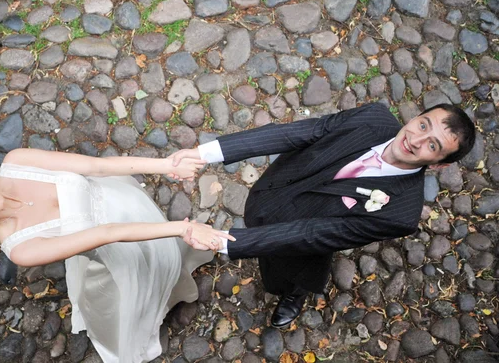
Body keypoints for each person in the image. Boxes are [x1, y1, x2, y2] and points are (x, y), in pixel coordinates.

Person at [172, 103, 475, 328]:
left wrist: (224, 241)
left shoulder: (399, 213)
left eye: (432, 145)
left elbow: (312, 234)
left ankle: (295, 294)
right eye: (423, 125)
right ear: (417, 117)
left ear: (438, 164)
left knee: (292, 272)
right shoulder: (373, 117)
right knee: (261, 225)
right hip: (271, 194)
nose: (416, 140)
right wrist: (206, 154)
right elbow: (297, 133)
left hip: (303, 238)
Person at [0, 149, 235, 363]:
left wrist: (168, 165)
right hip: (117, 247)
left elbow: (96, 166)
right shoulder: (21, 249)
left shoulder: (18, 159)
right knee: (145, 278)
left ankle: (174, 266)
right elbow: (108, 234)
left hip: (122, 201)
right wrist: (181, 228)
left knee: (166, 254)